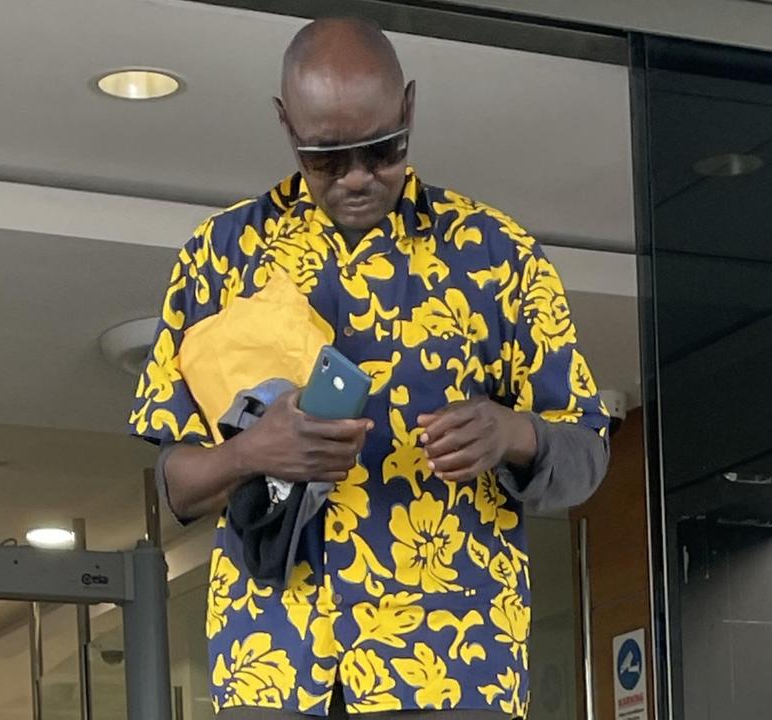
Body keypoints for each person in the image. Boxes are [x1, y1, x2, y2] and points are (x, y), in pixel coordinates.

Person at [128, 17, 609, 719]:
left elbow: (587, 450)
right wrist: (251, 452)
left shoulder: (497, 254)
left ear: (409, 109)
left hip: (451, 661)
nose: (357, 177)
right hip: (275, 664)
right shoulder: (221, 255)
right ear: (283, 123)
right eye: (324, 158)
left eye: (382, 150)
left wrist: (512, 434)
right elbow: (175, 485)